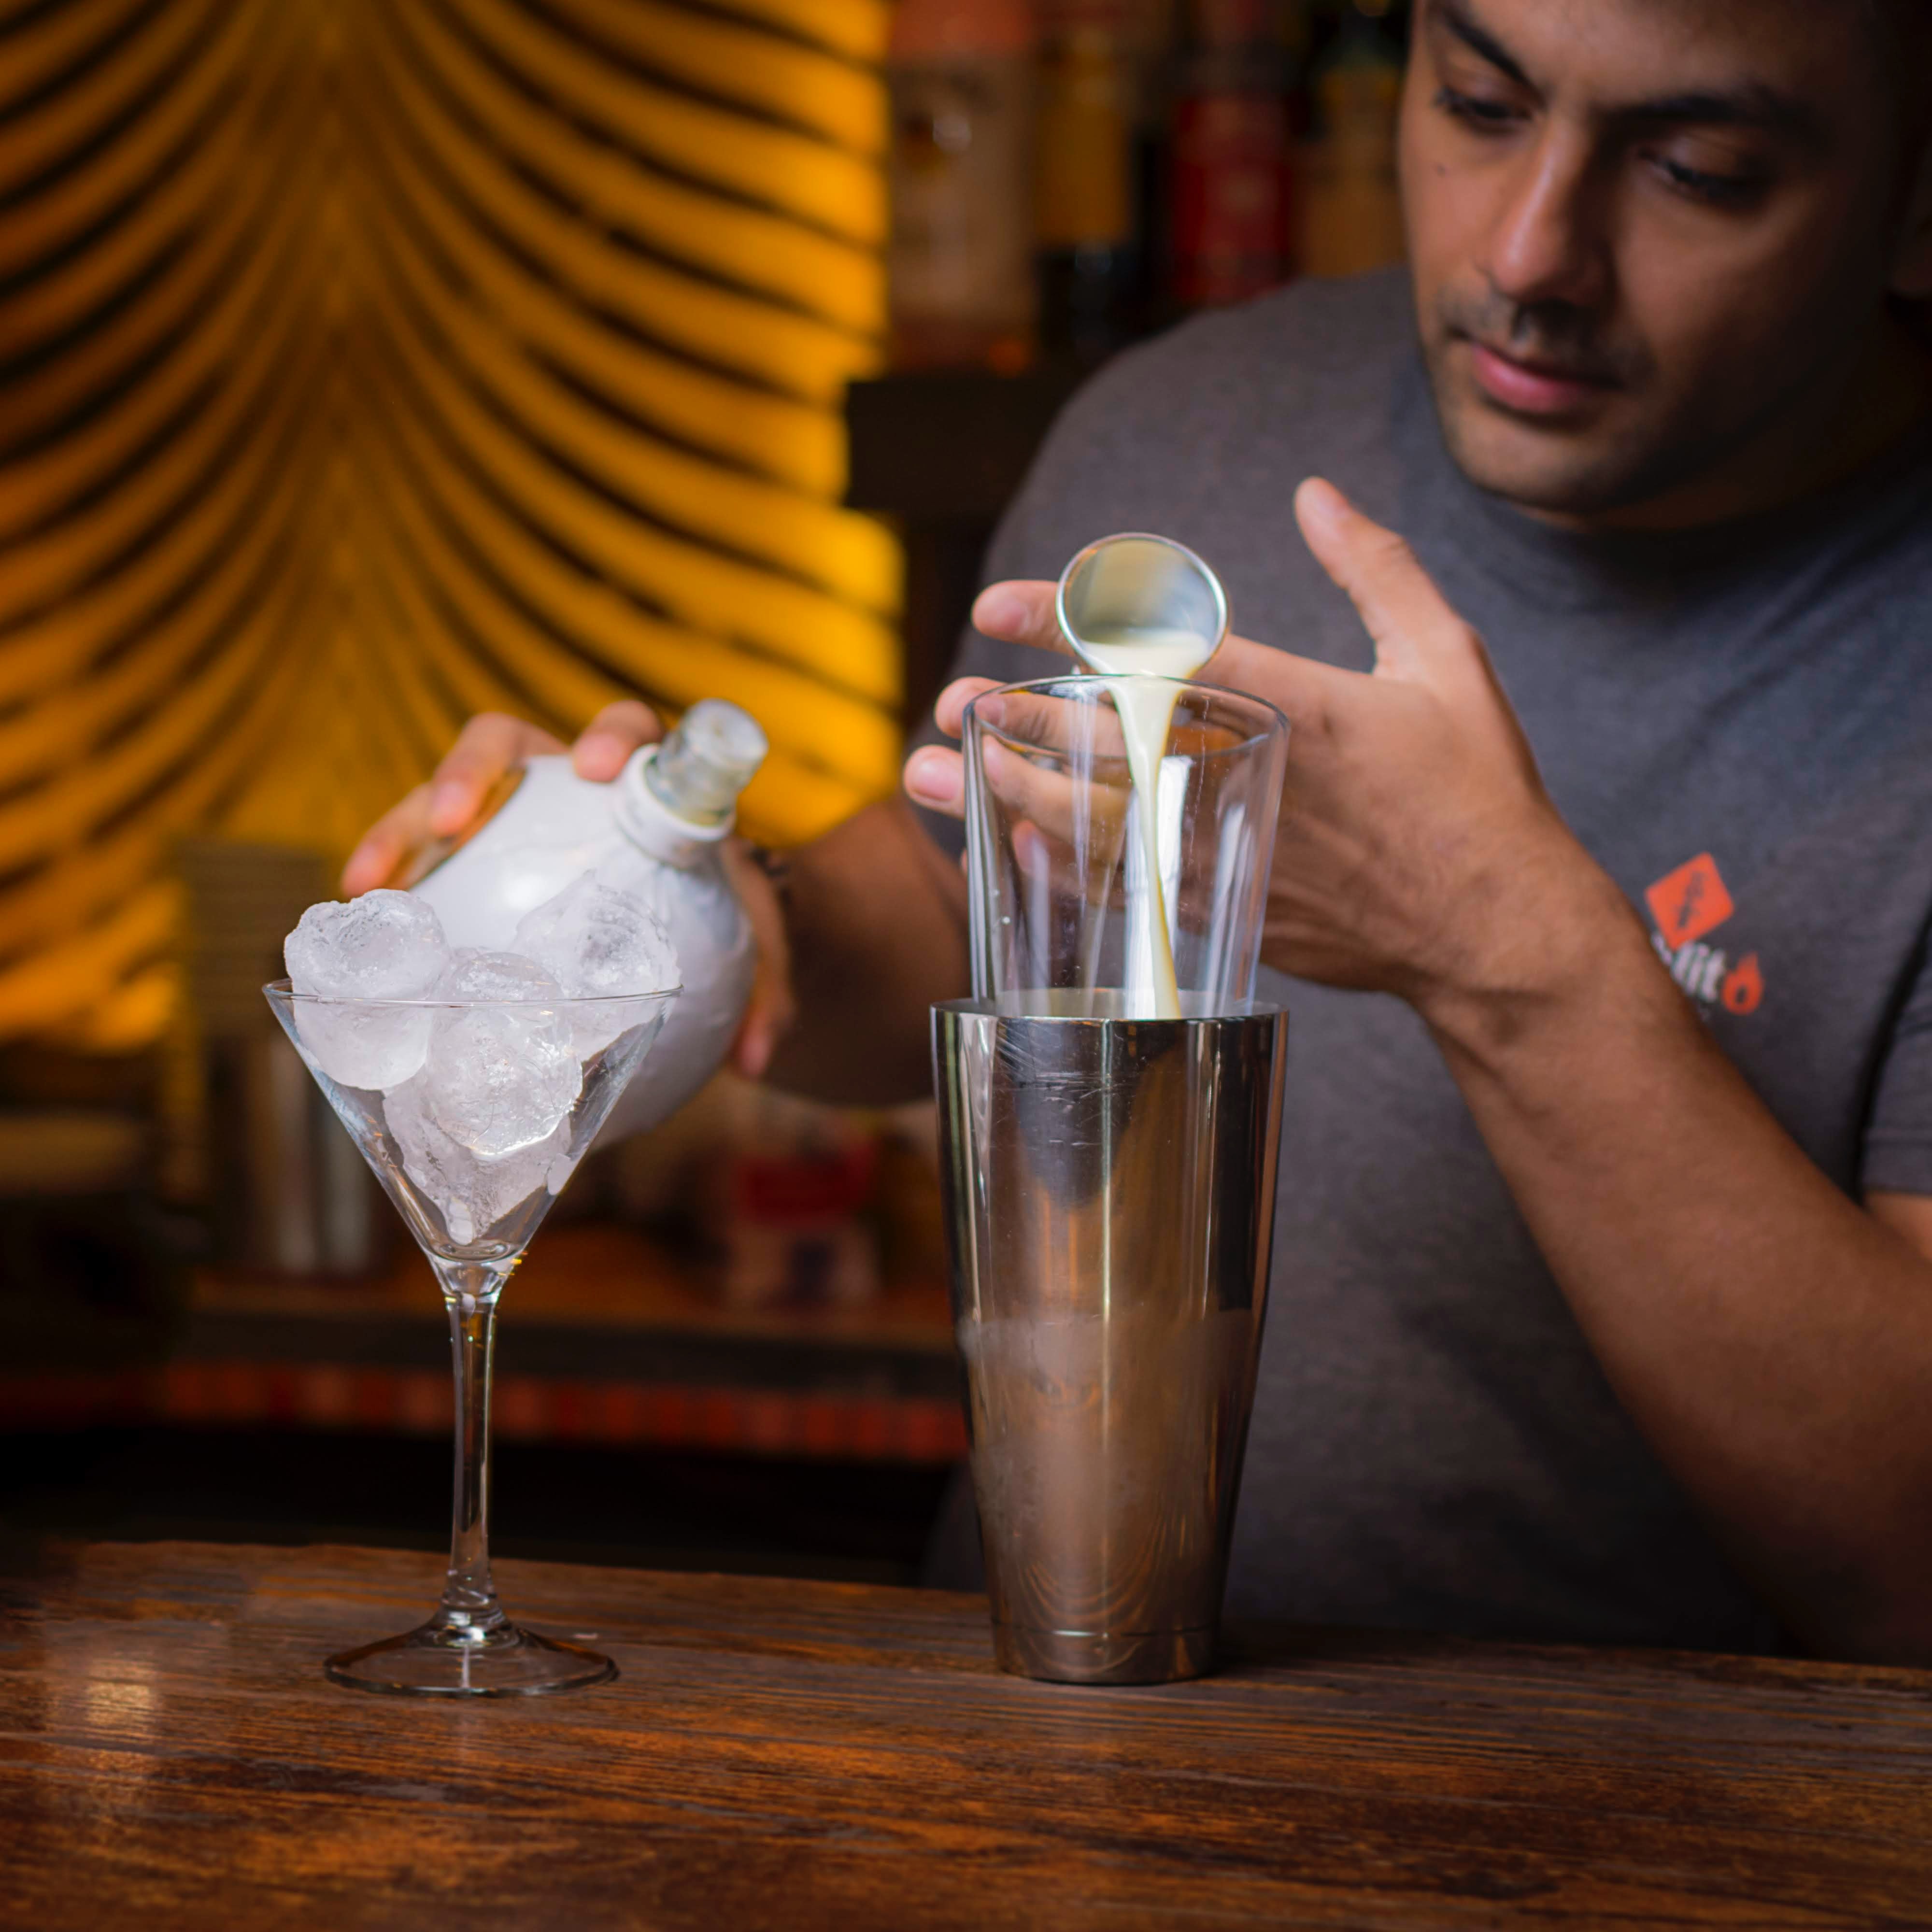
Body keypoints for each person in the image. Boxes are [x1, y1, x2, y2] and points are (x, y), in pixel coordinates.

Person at [346, 0, 1932, 1661]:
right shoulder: (1195, 419)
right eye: (1476, 100)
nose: (1532, 250)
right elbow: (972, 889)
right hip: (1031, 1702)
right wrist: (736, 908)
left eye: (1698, 168)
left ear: (1922, 194)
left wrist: (1505, 956)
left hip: (1628, 1808)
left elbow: (1906, 1557)